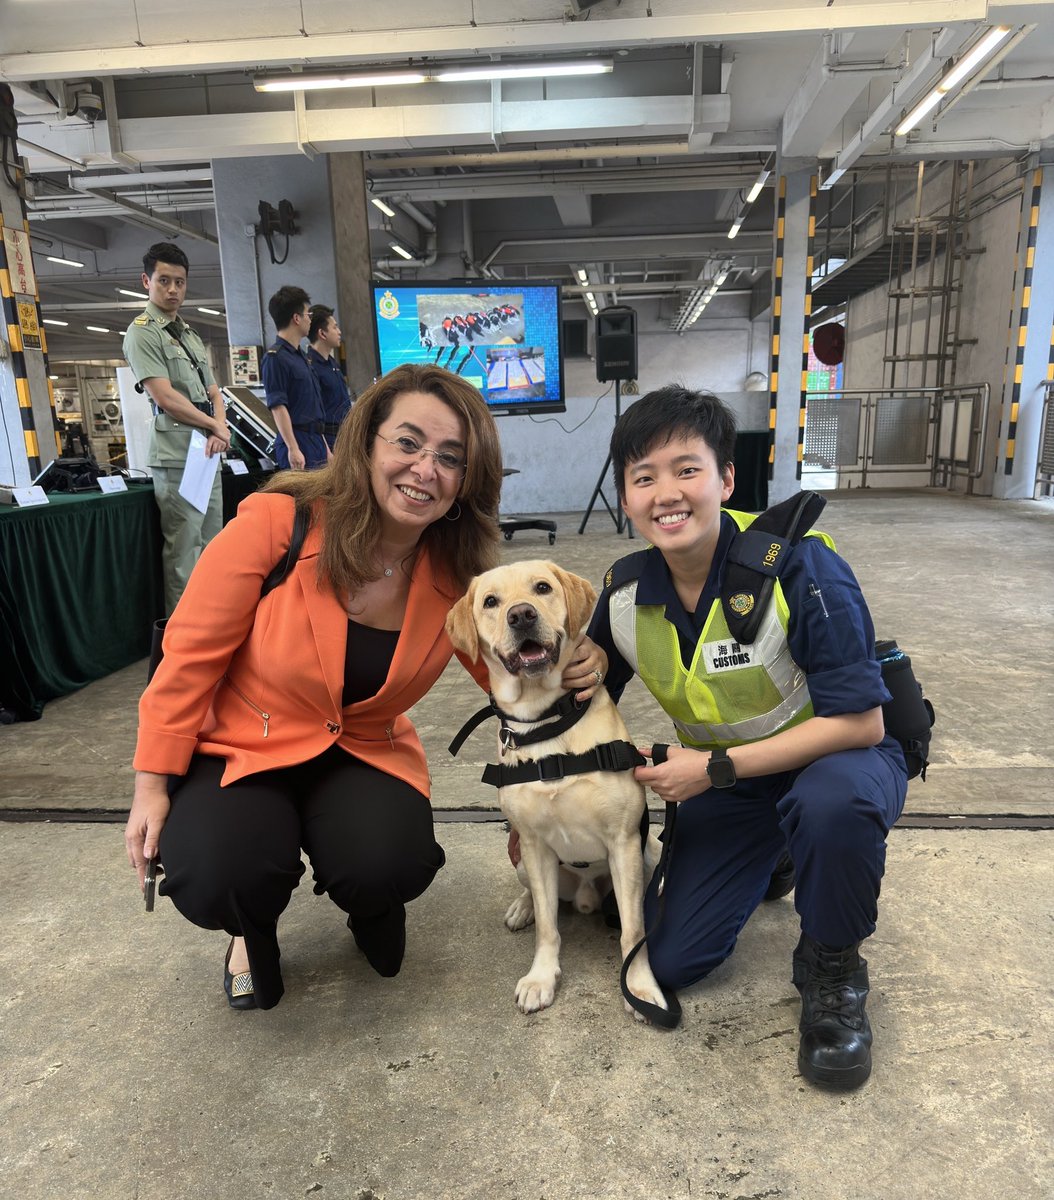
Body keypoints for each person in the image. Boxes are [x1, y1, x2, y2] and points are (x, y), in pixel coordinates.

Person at [123, 363, 605, 1011]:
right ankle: (248, 933)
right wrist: (152, 785)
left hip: (361, 748)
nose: (424, 468)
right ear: (367, 444)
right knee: (216, 870)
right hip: (243, 743)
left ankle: (370, 904)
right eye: (407, 443)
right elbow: (189, 658)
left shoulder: (457, 574)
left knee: (389, 863)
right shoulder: (279, 521)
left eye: (450, 457)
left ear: (466, 483)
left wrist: (556, 725)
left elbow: (512, 681)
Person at [586, 385, 907, 1089]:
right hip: (734, 792)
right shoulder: (622, 596)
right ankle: (780, 859)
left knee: (830, 809)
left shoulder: (801, 565)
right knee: (668, 964)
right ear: (626, 497)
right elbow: (573, 712)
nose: (666, 493)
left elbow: (862, 721)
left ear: (727, 478)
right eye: (643, 478)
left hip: (840, 762)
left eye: (686, 469)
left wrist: (714, 771)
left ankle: (833, 972)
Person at [122, 242, 231, 616]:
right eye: (163, 280)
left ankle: (215, 626)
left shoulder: (190, 334)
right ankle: (185, 642)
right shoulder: (142, 333)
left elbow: (215, 391)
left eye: (179, 282)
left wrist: (219, 427)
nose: (172, 289)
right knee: (184, 552)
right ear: (146, 281)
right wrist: (214, 425)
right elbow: (165, 397)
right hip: (176, 453)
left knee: (213, 545)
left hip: (207, 450)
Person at [261, 285, 328, 471]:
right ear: (296, 318)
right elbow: (278, 406)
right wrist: (293, 448)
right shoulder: (276, 358)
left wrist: (325, 447)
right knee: (301, 500)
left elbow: (312, 409)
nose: (310, 320)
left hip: (316, 441)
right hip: (298, 442)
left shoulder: (302, 357)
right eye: (308, 315)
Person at [306, 304, 353, 450]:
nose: (339, 332)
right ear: (322, 333)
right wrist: (325, 449)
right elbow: (312, 415)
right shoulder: (310, 367)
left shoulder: (332, 363)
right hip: (328, 439)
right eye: (335, 327)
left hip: (343, 435)